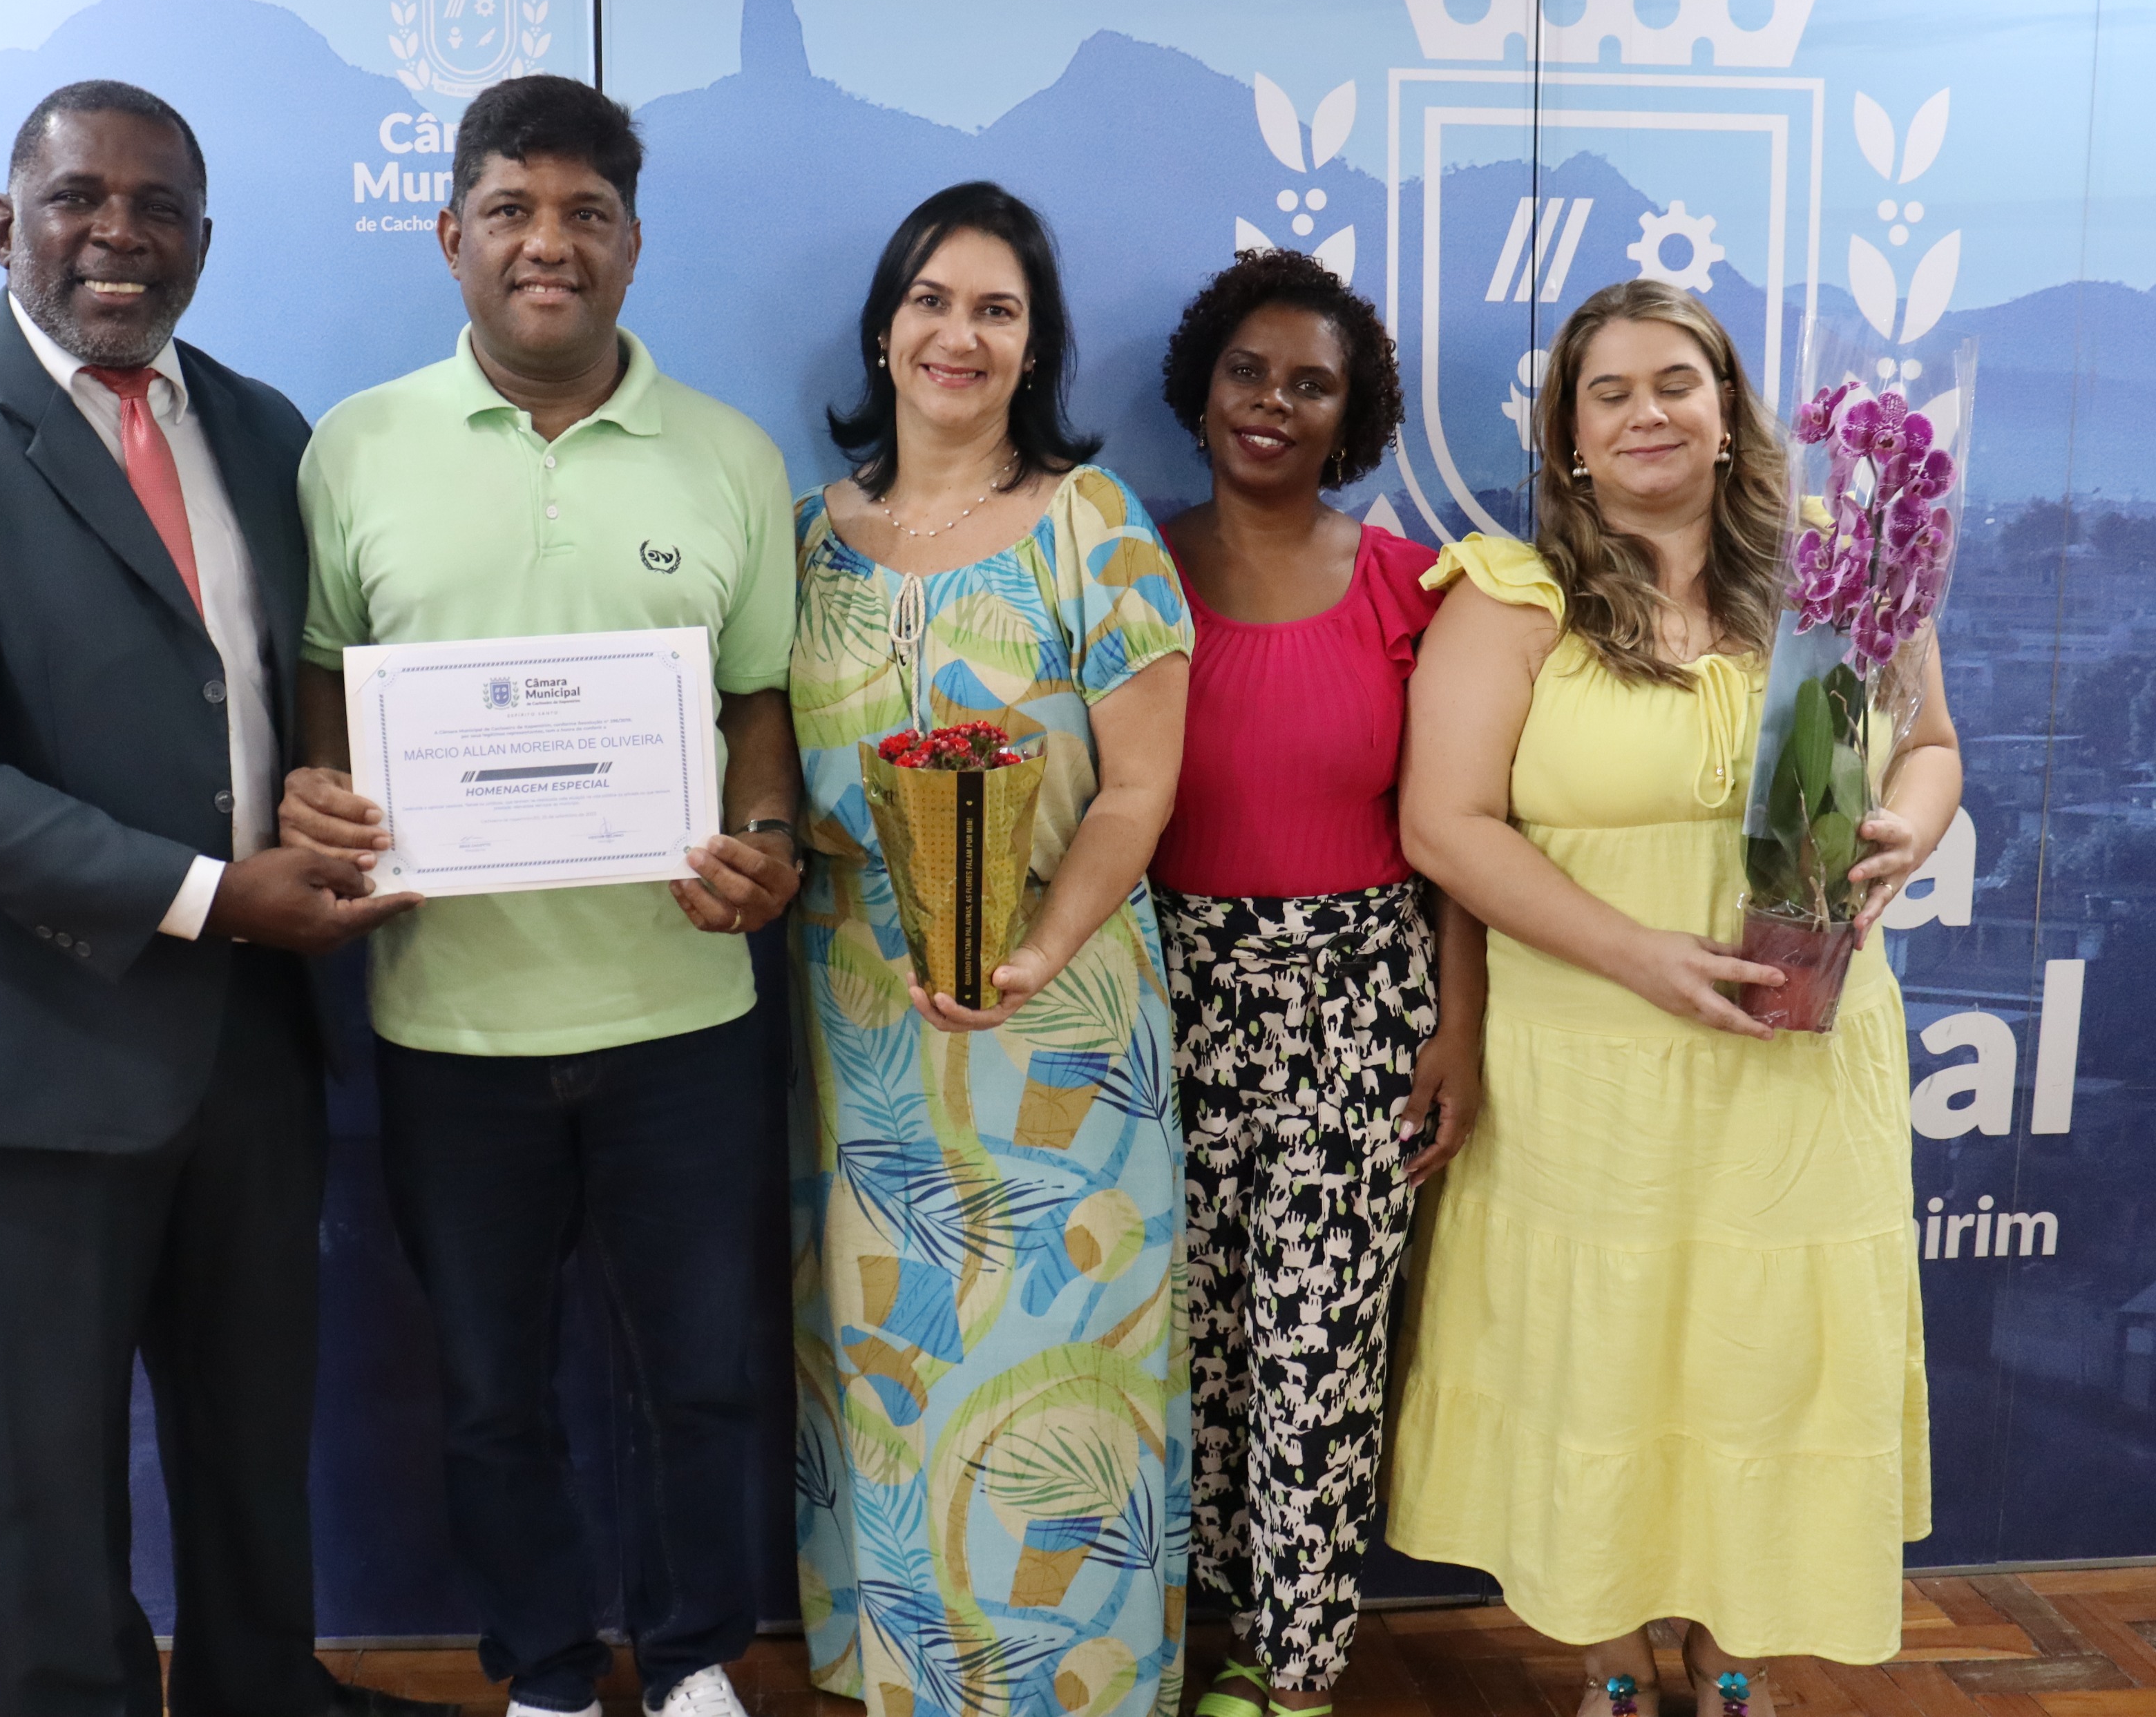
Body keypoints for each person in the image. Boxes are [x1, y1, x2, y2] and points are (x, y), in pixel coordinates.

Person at [0, 81, 435, 1717]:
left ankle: (260, 1694)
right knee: (42, 1473)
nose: (118, 234)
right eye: (79, 198)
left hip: (255, 1044)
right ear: (6, 223)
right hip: (30, 1044)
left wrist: (336, 799)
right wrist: (218, 895)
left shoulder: (265, 428)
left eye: (160, 206)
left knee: (252, 1435)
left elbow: (293, 693)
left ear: (204, 239)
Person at [280, 76, 801, 1717]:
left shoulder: (729, 455)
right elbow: (323, 669)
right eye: (511, 209)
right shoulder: (356, 447)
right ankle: (552, 1674)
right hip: (450, 1023)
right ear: (453, 235)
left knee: (699, 1383)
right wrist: (325, 795)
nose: (547, 243)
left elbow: (759, 693)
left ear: (635, 243)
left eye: (586, 213)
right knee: (493, 1391)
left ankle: (700, 1656)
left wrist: (765, 836)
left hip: (682, 1014)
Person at [1385, 280, 1960, 1707]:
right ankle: (1612, 1664)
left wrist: (1907, 828)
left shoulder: (1845, 569)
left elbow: (1934, 745)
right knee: (1604, 1360)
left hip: (1799, 1063)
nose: (1646, 413)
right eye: (1610, 393)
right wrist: (1639, 953)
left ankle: (1729, 1653)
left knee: (1760, 1356)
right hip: (1591, 1074)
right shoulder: (1515, 598)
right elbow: (1444, 824)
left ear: (1727, 411)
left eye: (1674, 384)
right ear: (1569, 439)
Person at [788, 182, 1193, 1717]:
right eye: (932, 300)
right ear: (885, 326)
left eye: (997, 310)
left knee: (1055, 1382)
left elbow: (1140, 788)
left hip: (1062, 1024)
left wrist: (1039, 948)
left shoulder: (1096, 527)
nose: (958, 334)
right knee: (898, 1372)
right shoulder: (806, 539)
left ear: (1035, 347)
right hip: (864, 1026)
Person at [1147, 250, 1487, 1717]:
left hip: (1359, 1008)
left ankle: (1293, 1675)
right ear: (1201, 387)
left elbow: (1457, 837)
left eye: (1310, 384)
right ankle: (1185, 1638)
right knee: (1195, 1355)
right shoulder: (1127, 570)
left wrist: (1457, 1028)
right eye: (1248, 371)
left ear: (1353, 417)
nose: (1272, 403)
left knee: (1316, 1355)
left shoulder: (1414, 590)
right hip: (1167, 998)